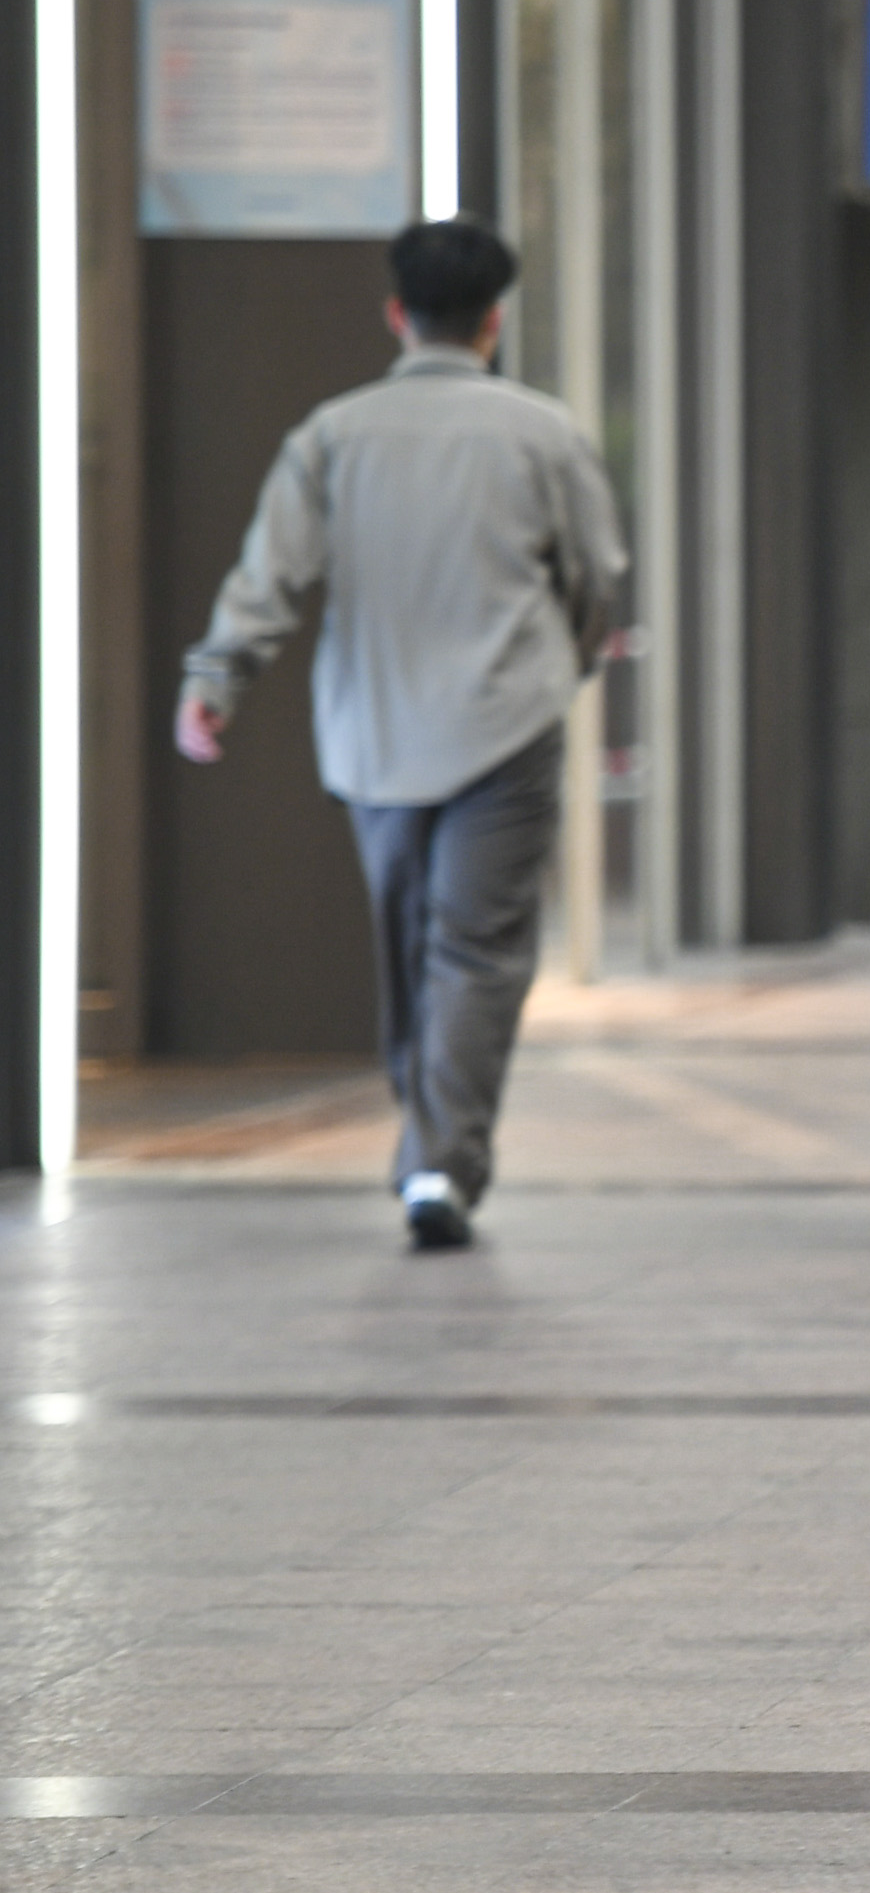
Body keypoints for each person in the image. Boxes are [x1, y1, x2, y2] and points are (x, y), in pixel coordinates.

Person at [175, 217, 624, 1251]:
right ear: (493, 322)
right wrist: (572, 656)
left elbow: (270, 575)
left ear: (395, 313)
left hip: (373, 735)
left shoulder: (331, 435)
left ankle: (432, 1148)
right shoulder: (542, 433)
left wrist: (217, 679)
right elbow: (598, 576)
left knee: (412, 935)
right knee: (475, 948)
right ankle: (438, 1154)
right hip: (507, 723)